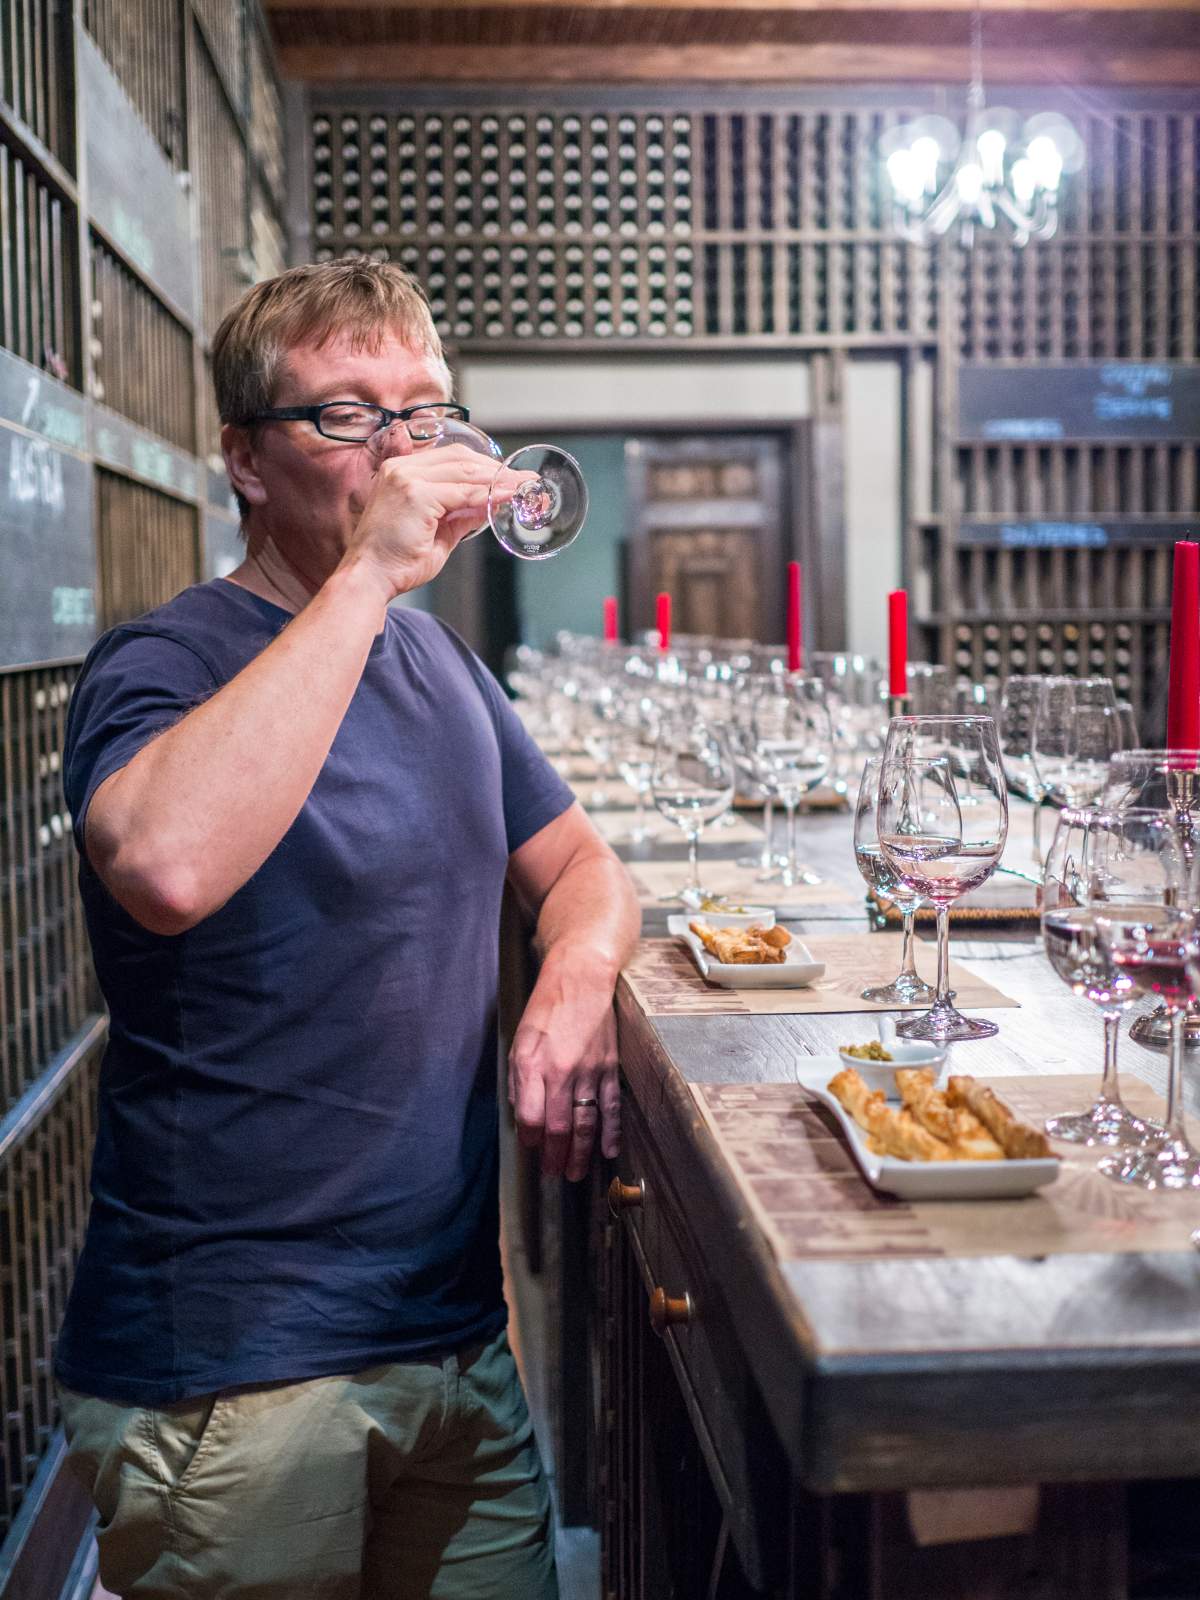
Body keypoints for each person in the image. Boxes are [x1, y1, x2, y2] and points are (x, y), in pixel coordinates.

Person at [55, 259, 641, 1599]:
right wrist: (372, 572)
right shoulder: (167, 661)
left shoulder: (442, 666)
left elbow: (580, 863)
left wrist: (578, 968)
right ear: (244, 460)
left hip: (454, 1341)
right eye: (347, 414)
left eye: (422, 411)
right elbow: (165, 865)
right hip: (234, 1373)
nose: (399, 449)